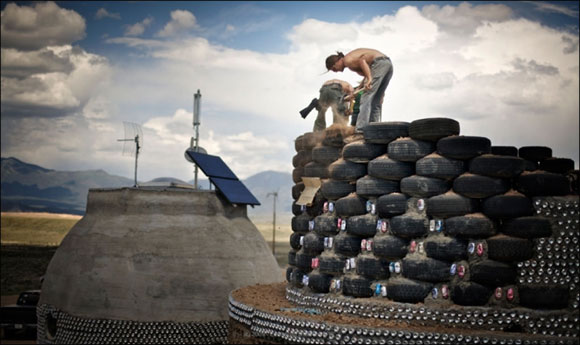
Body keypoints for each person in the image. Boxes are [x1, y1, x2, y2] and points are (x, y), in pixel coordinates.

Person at [325, 48, 393, 132]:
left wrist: (369, 79)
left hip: (378, 63)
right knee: (376, 100)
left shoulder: (347, 60)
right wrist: (358, 89)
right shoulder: (351, 61)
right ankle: (374, 128)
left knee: (366, 97)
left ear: (337, 61)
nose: (336, 71)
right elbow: (368, 73)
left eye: (334, 68)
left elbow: (362, 60)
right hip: (387, 64)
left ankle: (360, 129)